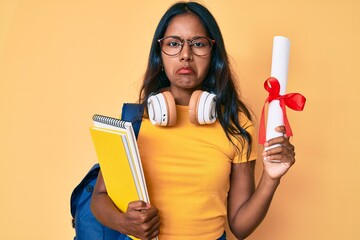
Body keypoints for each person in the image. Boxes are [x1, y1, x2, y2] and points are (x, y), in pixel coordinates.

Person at [90, 1, 296, 240]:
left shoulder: (236, 124)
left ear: (213, 53)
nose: (185, 55)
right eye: (174, 44)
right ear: (160, 53)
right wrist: (125, 223)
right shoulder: (135, 120)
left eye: (198, 44)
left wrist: (271, 179)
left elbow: (240, 226)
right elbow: (99, 197)